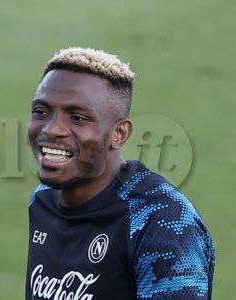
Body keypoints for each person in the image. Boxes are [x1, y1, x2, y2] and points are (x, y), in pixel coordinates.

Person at [25, 47, 215, 299]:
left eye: (78, 118)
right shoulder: (43, 200)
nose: (52, 129)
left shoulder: (163, 222)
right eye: (41, 112)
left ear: (119, 134)